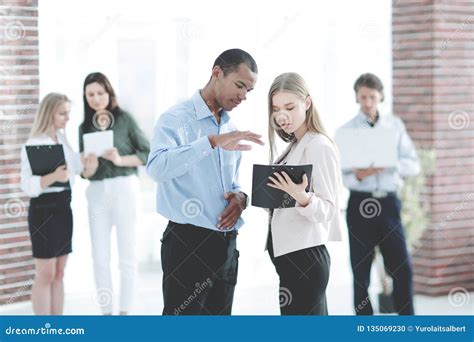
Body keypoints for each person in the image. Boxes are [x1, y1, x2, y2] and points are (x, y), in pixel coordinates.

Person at [147, 49, 263, 315]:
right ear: (217, 73)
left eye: (249, 90)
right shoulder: (175, 119)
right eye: (240, 85)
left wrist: (241, 198)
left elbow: (231, 183)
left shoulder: (230, 128)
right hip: (187, 244)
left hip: (226, 246)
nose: (244, 96)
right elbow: (156, 169)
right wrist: (210, 142)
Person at [339, 73, 420, 315]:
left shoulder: (394, 126)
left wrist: (389, 162)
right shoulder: (346, 131)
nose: (367, 102)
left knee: (402, 267)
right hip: (359, 204)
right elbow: (344, 177)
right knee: (360, 270)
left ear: (380, 96)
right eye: (362, 97)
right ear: (356, 97)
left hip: (388, 204)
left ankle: (409, 324)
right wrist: (363, 173)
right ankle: (364, 325)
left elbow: (413, 165)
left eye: (372, 97)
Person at [265, 72, 343, 315]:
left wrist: (302, 197)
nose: (281, 116)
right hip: (291, 259)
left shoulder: (319, 146)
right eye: (276, 108)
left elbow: (329, 210)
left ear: (307, 103)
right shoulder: (296, 145)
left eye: (290, 107)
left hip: (305, 260)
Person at [79, 72, 150, 315]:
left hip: (124, 188)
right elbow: (85, 173)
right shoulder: (83, 126)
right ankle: (106, 314)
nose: (96, 99)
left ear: (109, 93)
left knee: (126, 256)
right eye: (91, 94)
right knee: (99, 257)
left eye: (100, 93)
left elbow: (147, 153)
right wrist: (88, 167)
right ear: (85, 97)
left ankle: (125, 314)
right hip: (97, 192)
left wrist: (120, 159)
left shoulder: (124, 119)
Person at [20, 93, 98, 315]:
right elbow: (26, 184)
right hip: (43, 211)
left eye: (68, 113)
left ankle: (57, 326)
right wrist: (53, 177)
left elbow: (75, 169)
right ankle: (43, 330)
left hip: (64, 210)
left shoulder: (62, 139)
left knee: (60, 273)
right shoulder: (34, 143)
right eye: (62, 113)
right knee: (45, 274)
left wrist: (86, 162)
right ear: (49, 113)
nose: (67, 118)